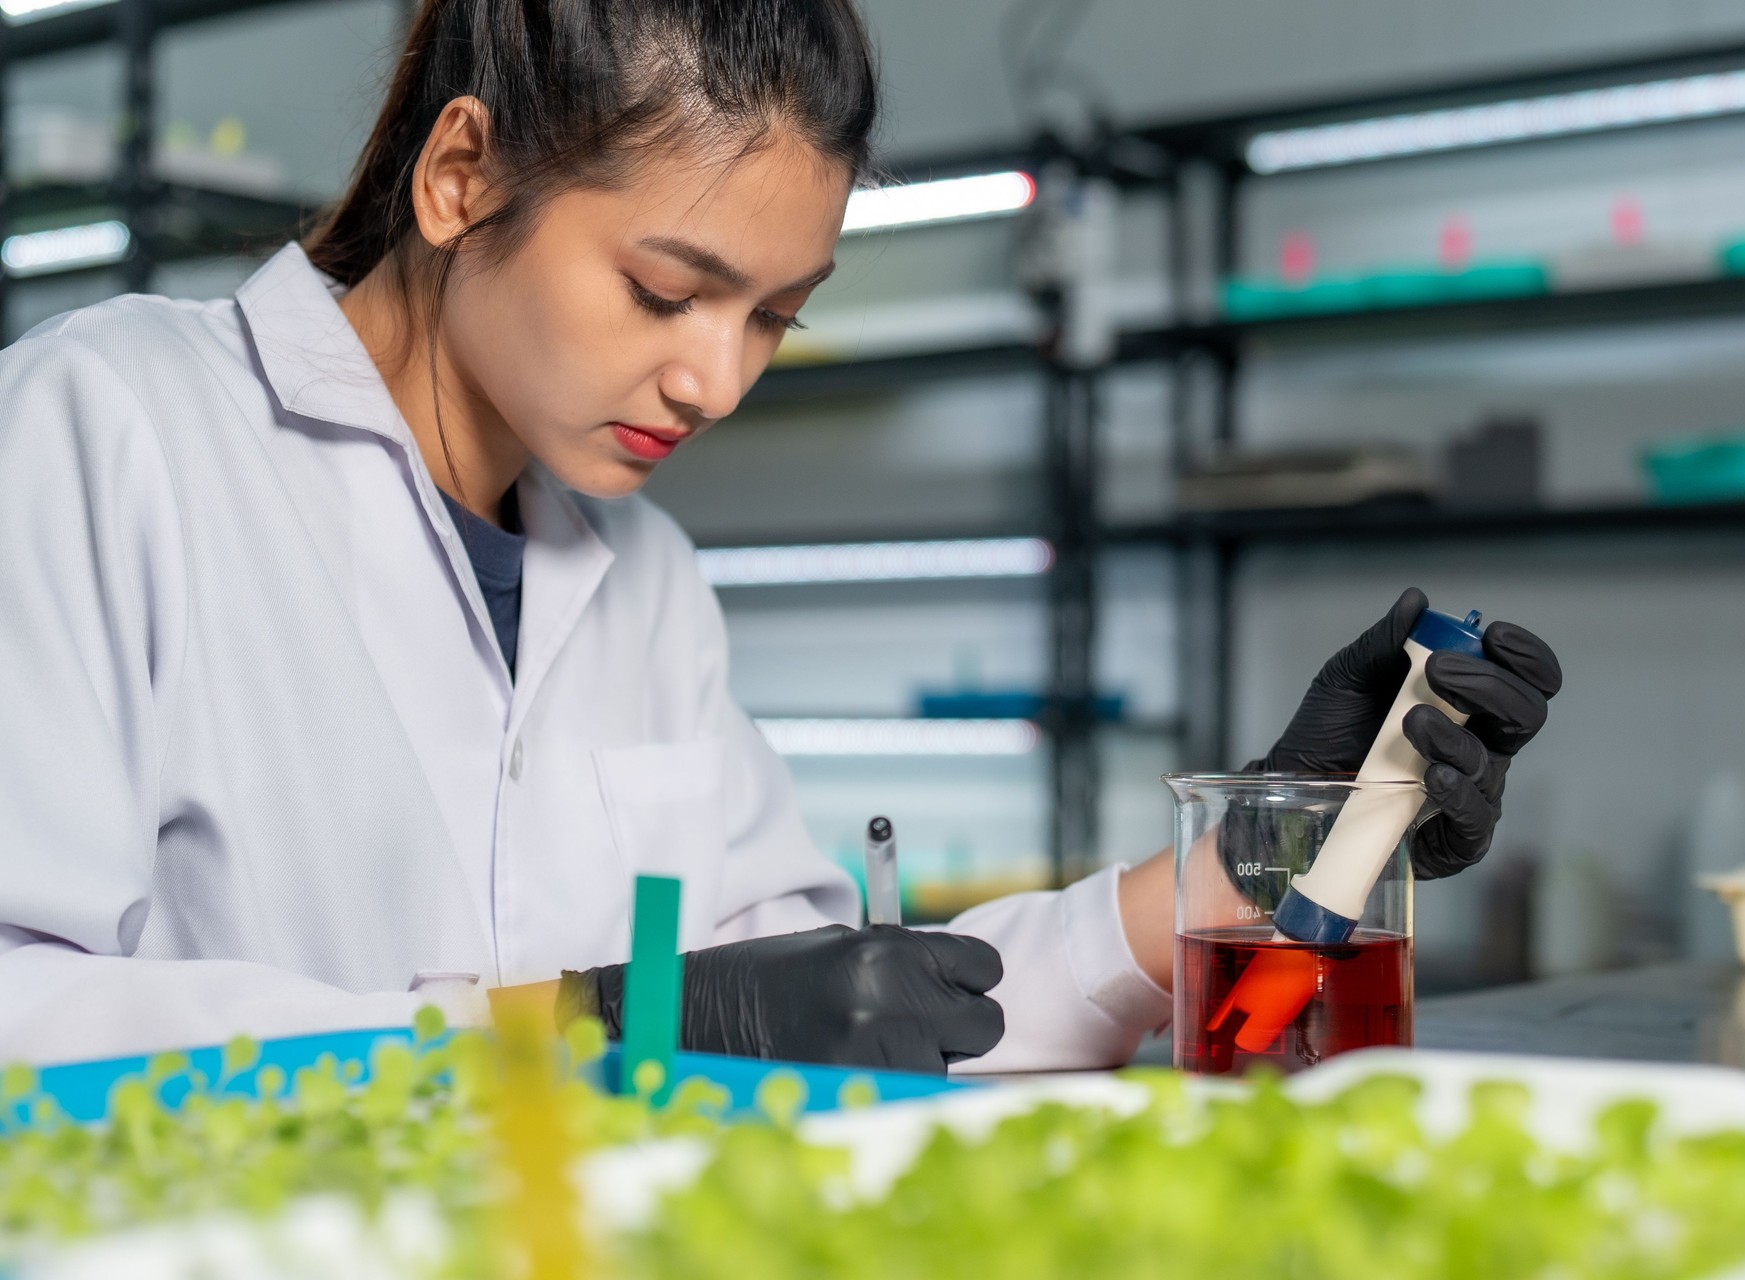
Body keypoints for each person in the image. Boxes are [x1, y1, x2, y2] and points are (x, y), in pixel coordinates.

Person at [0, 0, 1561, 1074]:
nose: (715, 378)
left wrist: (1261, 860)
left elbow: (845, 1017)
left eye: (774, 317)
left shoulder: (644, 582)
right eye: (667, 291)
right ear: (461, 174)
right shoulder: (115, 426)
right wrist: (589, 1027)